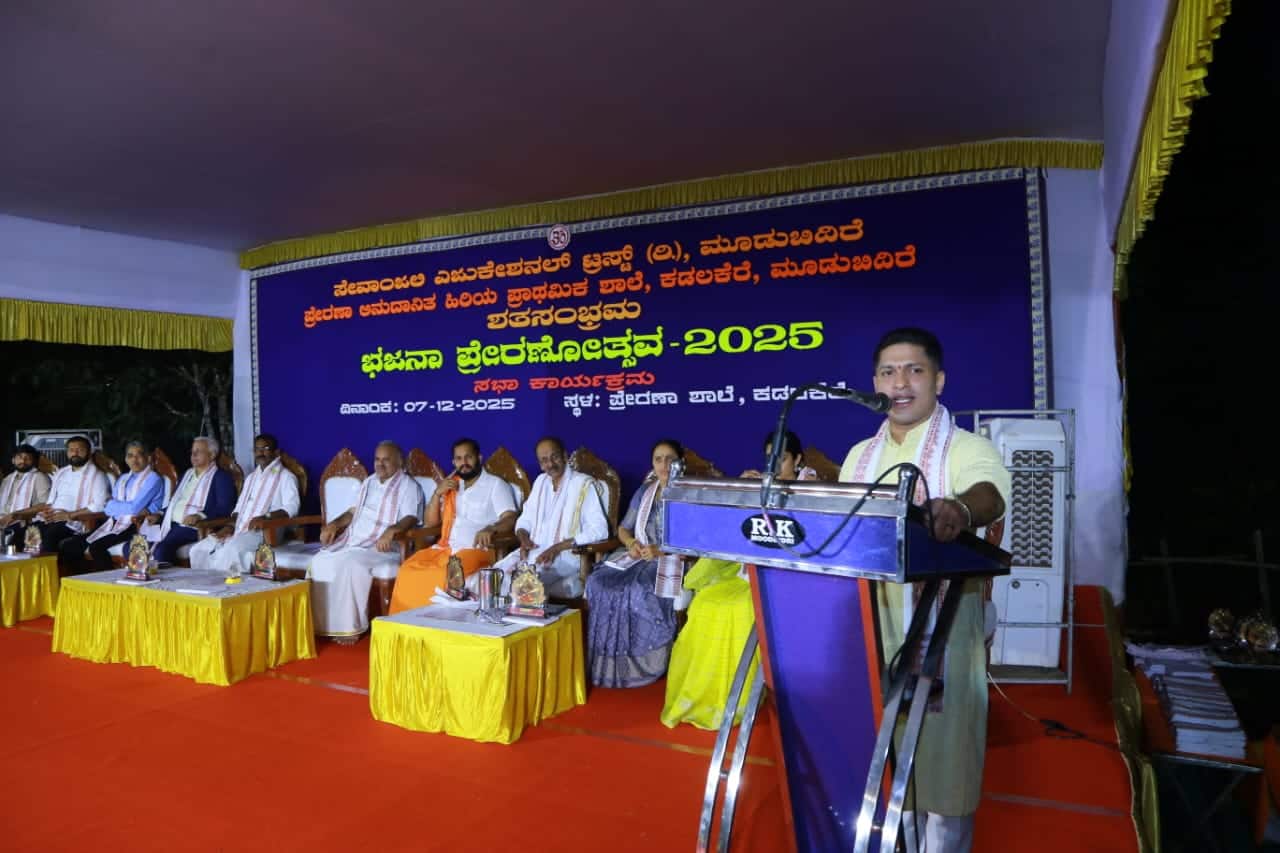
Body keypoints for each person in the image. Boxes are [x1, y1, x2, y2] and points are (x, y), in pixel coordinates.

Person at [839, 327, 1010, 853]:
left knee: (945, 771)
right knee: (887, 766)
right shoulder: (858, 457)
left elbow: (989, 493)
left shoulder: (966, 447)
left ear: (938, 380)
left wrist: (958, 509)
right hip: (872, 633)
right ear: (874, 384)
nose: (900, 383)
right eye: (888, 372)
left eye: (914, 370)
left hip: (943, 636)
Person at [661, 430, 816, 730]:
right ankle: (705, 697)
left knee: (742, 609)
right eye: (769, 459)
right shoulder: (760, 484)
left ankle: (741, 699)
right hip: (747, 573)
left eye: (782, 459)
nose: (773, 467)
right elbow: (733, 530)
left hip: (789, 577)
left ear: (797, 460)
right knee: (706, 602)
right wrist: (742, 492)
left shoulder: (811, 489)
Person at [584, 438, 684, 688]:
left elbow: (697, 540)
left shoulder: (689, 494)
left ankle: (644, 665)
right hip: (639, 556)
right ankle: (606, 666)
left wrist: (659, 550)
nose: (664, 464)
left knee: (638, 589)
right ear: (652, 463)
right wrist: (631, 543)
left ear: (680, 463)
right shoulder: (645, 492)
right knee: (598, 582)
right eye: (658, 459)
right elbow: (623, 529)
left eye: (670, 459)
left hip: (670, 560)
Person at [388, 438, 518, 613]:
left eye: (468, 457)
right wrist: (437, 494)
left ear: (479, 458)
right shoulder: (452, 484)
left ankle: (433, 626)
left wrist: (491, 528)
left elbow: (510, 517)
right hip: (445, 549)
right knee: (407, 570)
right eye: (458, 459)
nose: (464, 463)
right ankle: (406, 625)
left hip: (476, 550)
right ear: (453, 462)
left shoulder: (495, 485)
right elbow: (430, 523)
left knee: (442, 575)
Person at [311, 441, 423, 641]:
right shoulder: (369, 482)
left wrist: (393, 530)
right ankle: (322, 624)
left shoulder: (409, 486)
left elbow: (411, 517)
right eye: (377, 459)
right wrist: (334, 524)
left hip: (382, 546)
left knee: (351, 564)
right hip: (353, 540)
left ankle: (349, 628)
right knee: (320, 561)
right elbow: (352, 512)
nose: (380, 464)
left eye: (386, 460)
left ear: (400, 462)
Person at [487, 436, 609, 598]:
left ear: (564, 456)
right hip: (532, 555)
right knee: (491, 578)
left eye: (554, 457)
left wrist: (557, 547)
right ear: (540, 464)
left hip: (566, 558)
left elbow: (600, 530)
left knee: (524, 586)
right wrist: (523, 538)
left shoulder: (583, 485)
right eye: (544, 460)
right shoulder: (541, 482)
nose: (550, 464)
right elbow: (525, 519)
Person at [187, 434, 300, 575]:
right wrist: (229, 527)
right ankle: (205, 585)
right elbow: (239, 509)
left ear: (276, 452)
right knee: (198, 550)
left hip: (266, 530)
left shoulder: (286, 477)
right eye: (257, 449)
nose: (260, 453)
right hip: (240, 528)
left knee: (231, 549)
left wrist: (265, 517)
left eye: (265, 448)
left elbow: (292, 507)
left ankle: (228, 586)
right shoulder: (251, 478)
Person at [69, 441, 166, 573]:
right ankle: (82, 581)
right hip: (114, 522)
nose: (134, 460)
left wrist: (114, 506)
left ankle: (106, 582)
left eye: (138, 455)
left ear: (147, 458)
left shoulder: (153, 478)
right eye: (130, 456)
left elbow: (134, 509)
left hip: (136, 524)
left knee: (96, 547)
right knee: (72, 545)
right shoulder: (123, 478)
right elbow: (108, 509)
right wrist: (116, 506)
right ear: (126, 459)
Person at [145, 437, 236, 564]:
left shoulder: (221, 477)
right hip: (169, 523)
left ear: (212, 455)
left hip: (194, 527)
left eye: (198, 451)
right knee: (136, 545)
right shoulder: (186, 475)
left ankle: (160, 577)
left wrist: (200, 515)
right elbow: (174, 504)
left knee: (160, 550)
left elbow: (225, 508)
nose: (193, 455)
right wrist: (159, 514)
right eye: (192, 451)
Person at [26, 436, 111, 561]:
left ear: (89, 452)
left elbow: (99, 506)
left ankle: (51, 571)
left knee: (50, 535)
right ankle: (33, 570)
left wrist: (69, 515)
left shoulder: (97, 475)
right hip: (54, 517)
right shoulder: (62, 473)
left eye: (80, 450)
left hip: (76, 520)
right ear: (67, 452)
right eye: (71, 450)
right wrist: (46, 512)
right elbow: (51, 501)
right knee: (30, 530)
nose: (75, 453)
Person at [0, 444, 52, 547]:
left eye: (27, 458)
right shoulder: (8, 479)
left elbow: (46, 504)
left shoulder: (39, 477)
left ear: (33, 461)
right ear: (13, 460)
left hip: (25, 520)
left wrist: (16, 515)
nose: (23, 461)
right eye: (19, 457)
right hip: (4, 519)